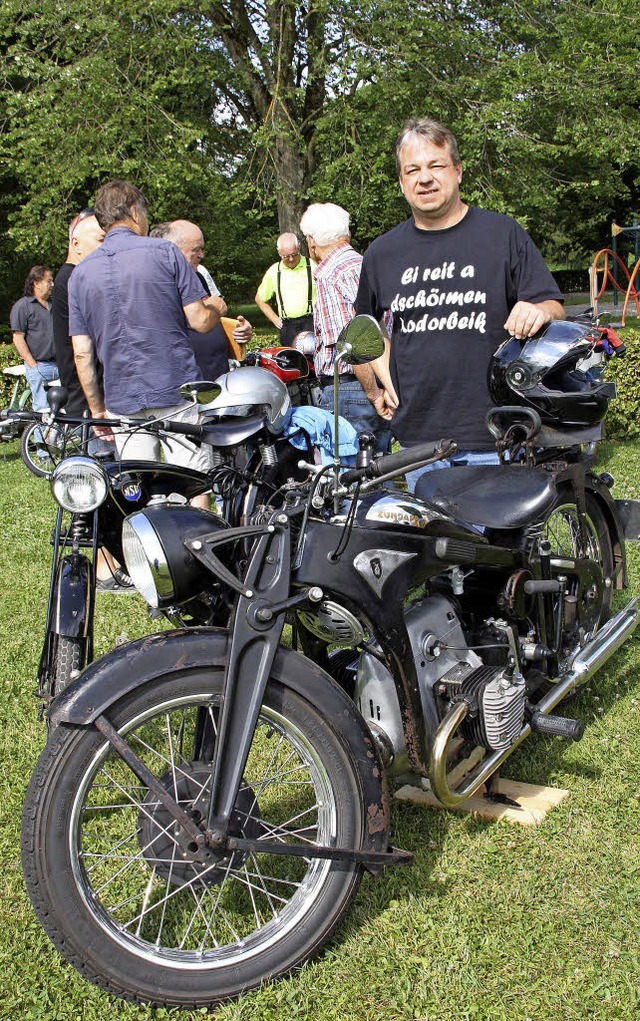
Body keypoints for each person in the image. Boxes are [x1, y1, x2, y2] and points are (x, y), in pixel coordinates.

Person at [354, 117, 565, 488]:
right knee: (434, 547)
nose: (425, 178)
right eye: (412, 170)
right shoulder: (381, 253)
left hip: (495, 433)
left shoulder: (502, 234)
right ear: (402, 183)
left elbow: (553, 305)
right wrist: (381, 385)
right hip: (419, 443)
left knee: (499, 547)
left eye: (436, 165)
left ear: (457, 171)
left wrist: (538, 310)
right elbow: (364, 330)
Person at [68, 180, 219, 473]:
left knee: (138, 482)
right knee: (192, 479)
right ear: (135, 212)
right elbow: (200, 321)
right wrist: (216, 307)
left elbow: (82, 354)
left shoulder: (80, 275)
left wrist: (97, 409)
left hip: (122, 397)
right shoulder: (165, 252)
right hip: (176, 387)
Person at [52, 208, 132, 592]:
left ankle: (112, 559)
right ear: (75, 241)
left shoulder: (73, 278)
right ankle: (103, 566)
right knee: (97, 483)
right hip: (86, 400)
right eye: (98, 240)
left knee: (102, 480)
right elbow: (79, 350)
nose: (104, 246)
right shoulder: (72, 279)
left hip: (84, 397)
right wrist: (91, 404)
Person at [299, 202, 391, 453]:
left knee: (353, 481)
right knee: (379, 471)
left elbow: (356, 342)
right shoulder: (367, 264)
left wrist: (373, 394)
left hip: (352, 388)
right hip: (381, 380)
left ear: (311, 241)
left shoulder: (331, 275)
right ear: (346, 234)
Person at [161, 219, 252, 380]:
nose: (201, 255)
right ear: (174, 251)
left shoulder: (200, 275)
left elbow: (214, 318)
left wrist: (238, 331)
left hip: (219, 377)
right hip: (191, 386)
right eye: (196, 250)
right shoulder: (162, 285)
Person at [10, 266, 58, 425]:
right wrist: (33, 365)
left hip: (59, 365)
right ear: (36, 283)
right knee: (42, 411)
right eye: (49, 281)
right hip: (39, 365)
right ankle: (42, 450)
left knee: (62, 409)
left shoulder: (55, 304)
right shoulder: (23, 306)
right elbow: (18, 338)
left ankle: (60, 445)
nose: (52, 284)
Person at [254, 232, 315, 345]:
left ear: (299, 247)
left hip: (311, 322)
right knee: (290, 361)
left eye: (294, 254)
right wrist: (274, 319)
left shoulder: (312, 266)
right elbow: (260, 299)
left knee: (313, 361)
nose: (291, 259)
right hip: (288, 326)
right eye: (286, 256)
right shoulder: (274, 271)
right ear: (279, 253)